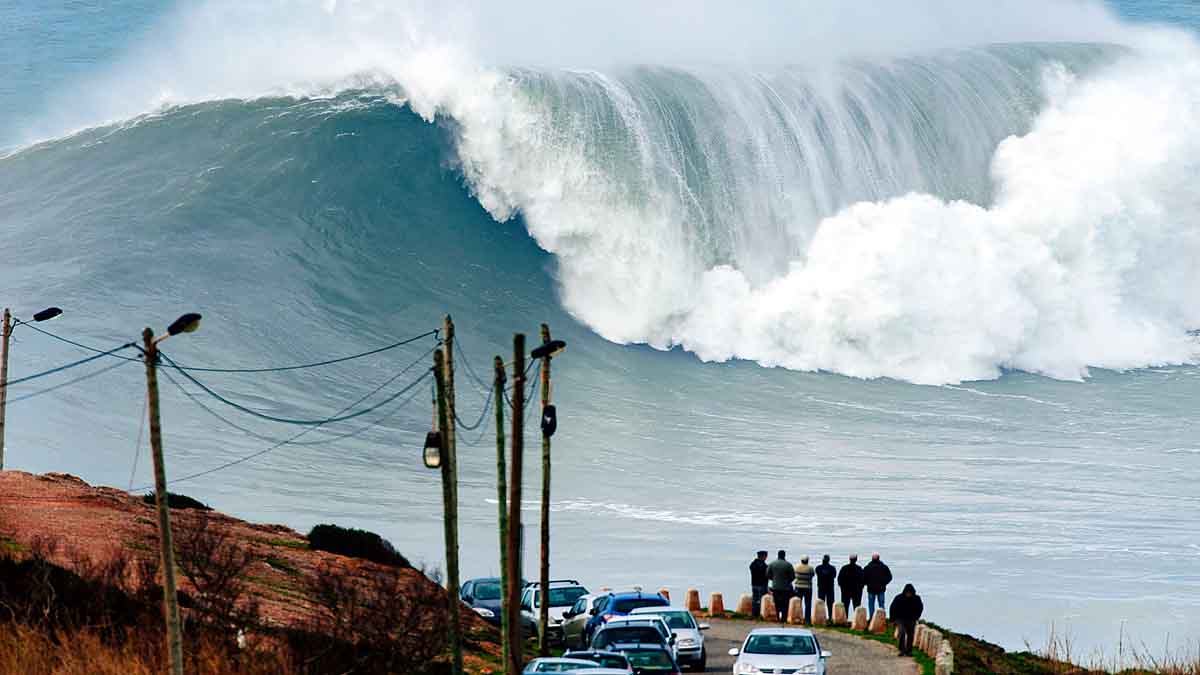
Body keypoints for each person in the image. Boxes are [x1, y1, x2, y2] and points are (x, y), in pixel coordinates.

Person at [889, 583, 924, 656]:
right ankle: (901, 650)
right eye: (907, 592)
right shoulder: (898, 598)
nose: (908, 594)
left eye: (910, 593)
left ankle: (909, 651)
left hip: (911, 619)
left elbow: (920, 608)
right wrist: (892, 619)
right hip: (900, 619)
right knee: (902, 632)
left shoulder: (917, 599)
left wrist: (916, 617)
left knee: (910, 635)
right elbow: (892, 608)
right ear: (904, 592)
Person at [766, 550, 795, 622]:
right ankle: (784, 619)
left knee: (776, 603)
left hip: (775, 587)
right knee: (785, 604)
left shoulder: (772, 564)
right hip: (786, 588)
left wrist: (773, 579)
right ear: (784, 555)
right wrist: (787, 581)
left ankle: (777, 617)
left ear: (778, 555)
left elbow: (767, 574)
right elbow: (793, 577)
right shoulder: (788, 565)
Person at [863, 552, 893, 618]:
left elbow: (863, 577)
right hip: (881, 589)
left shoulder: (867, 567)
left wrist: (867, 583)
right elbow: (890, 577)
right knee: (881, 604)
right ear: (879, 558)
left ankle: (872, 618)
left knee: (871, 605)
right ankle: (882, 618)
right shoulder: (884, 567)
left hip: (871, 589)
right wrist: (884, 583)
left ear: (872, 559)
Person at [793, 555, 815, 624]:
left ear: (801, 560)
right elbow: (812, 575)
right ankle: (807, 620)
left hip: (798, 587)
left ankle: (798, 618)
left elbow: (794, 575)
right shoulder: (810, 568)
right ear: (807, 561)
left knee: (798, 603)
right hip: (808, 587)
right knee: (808, 604)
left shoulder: (797, 567)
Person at [749, 550, 769, 617]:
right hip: (762, 585)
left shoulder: (753, 564)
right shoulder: (764, 566)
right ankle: (760, 614)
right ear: (763, 556)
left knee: (754, 600)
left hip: (754, 584)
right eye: (765, 556)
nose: (766, 558)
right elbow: (766, 575)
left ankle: (754, 613)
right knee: (761, 600)